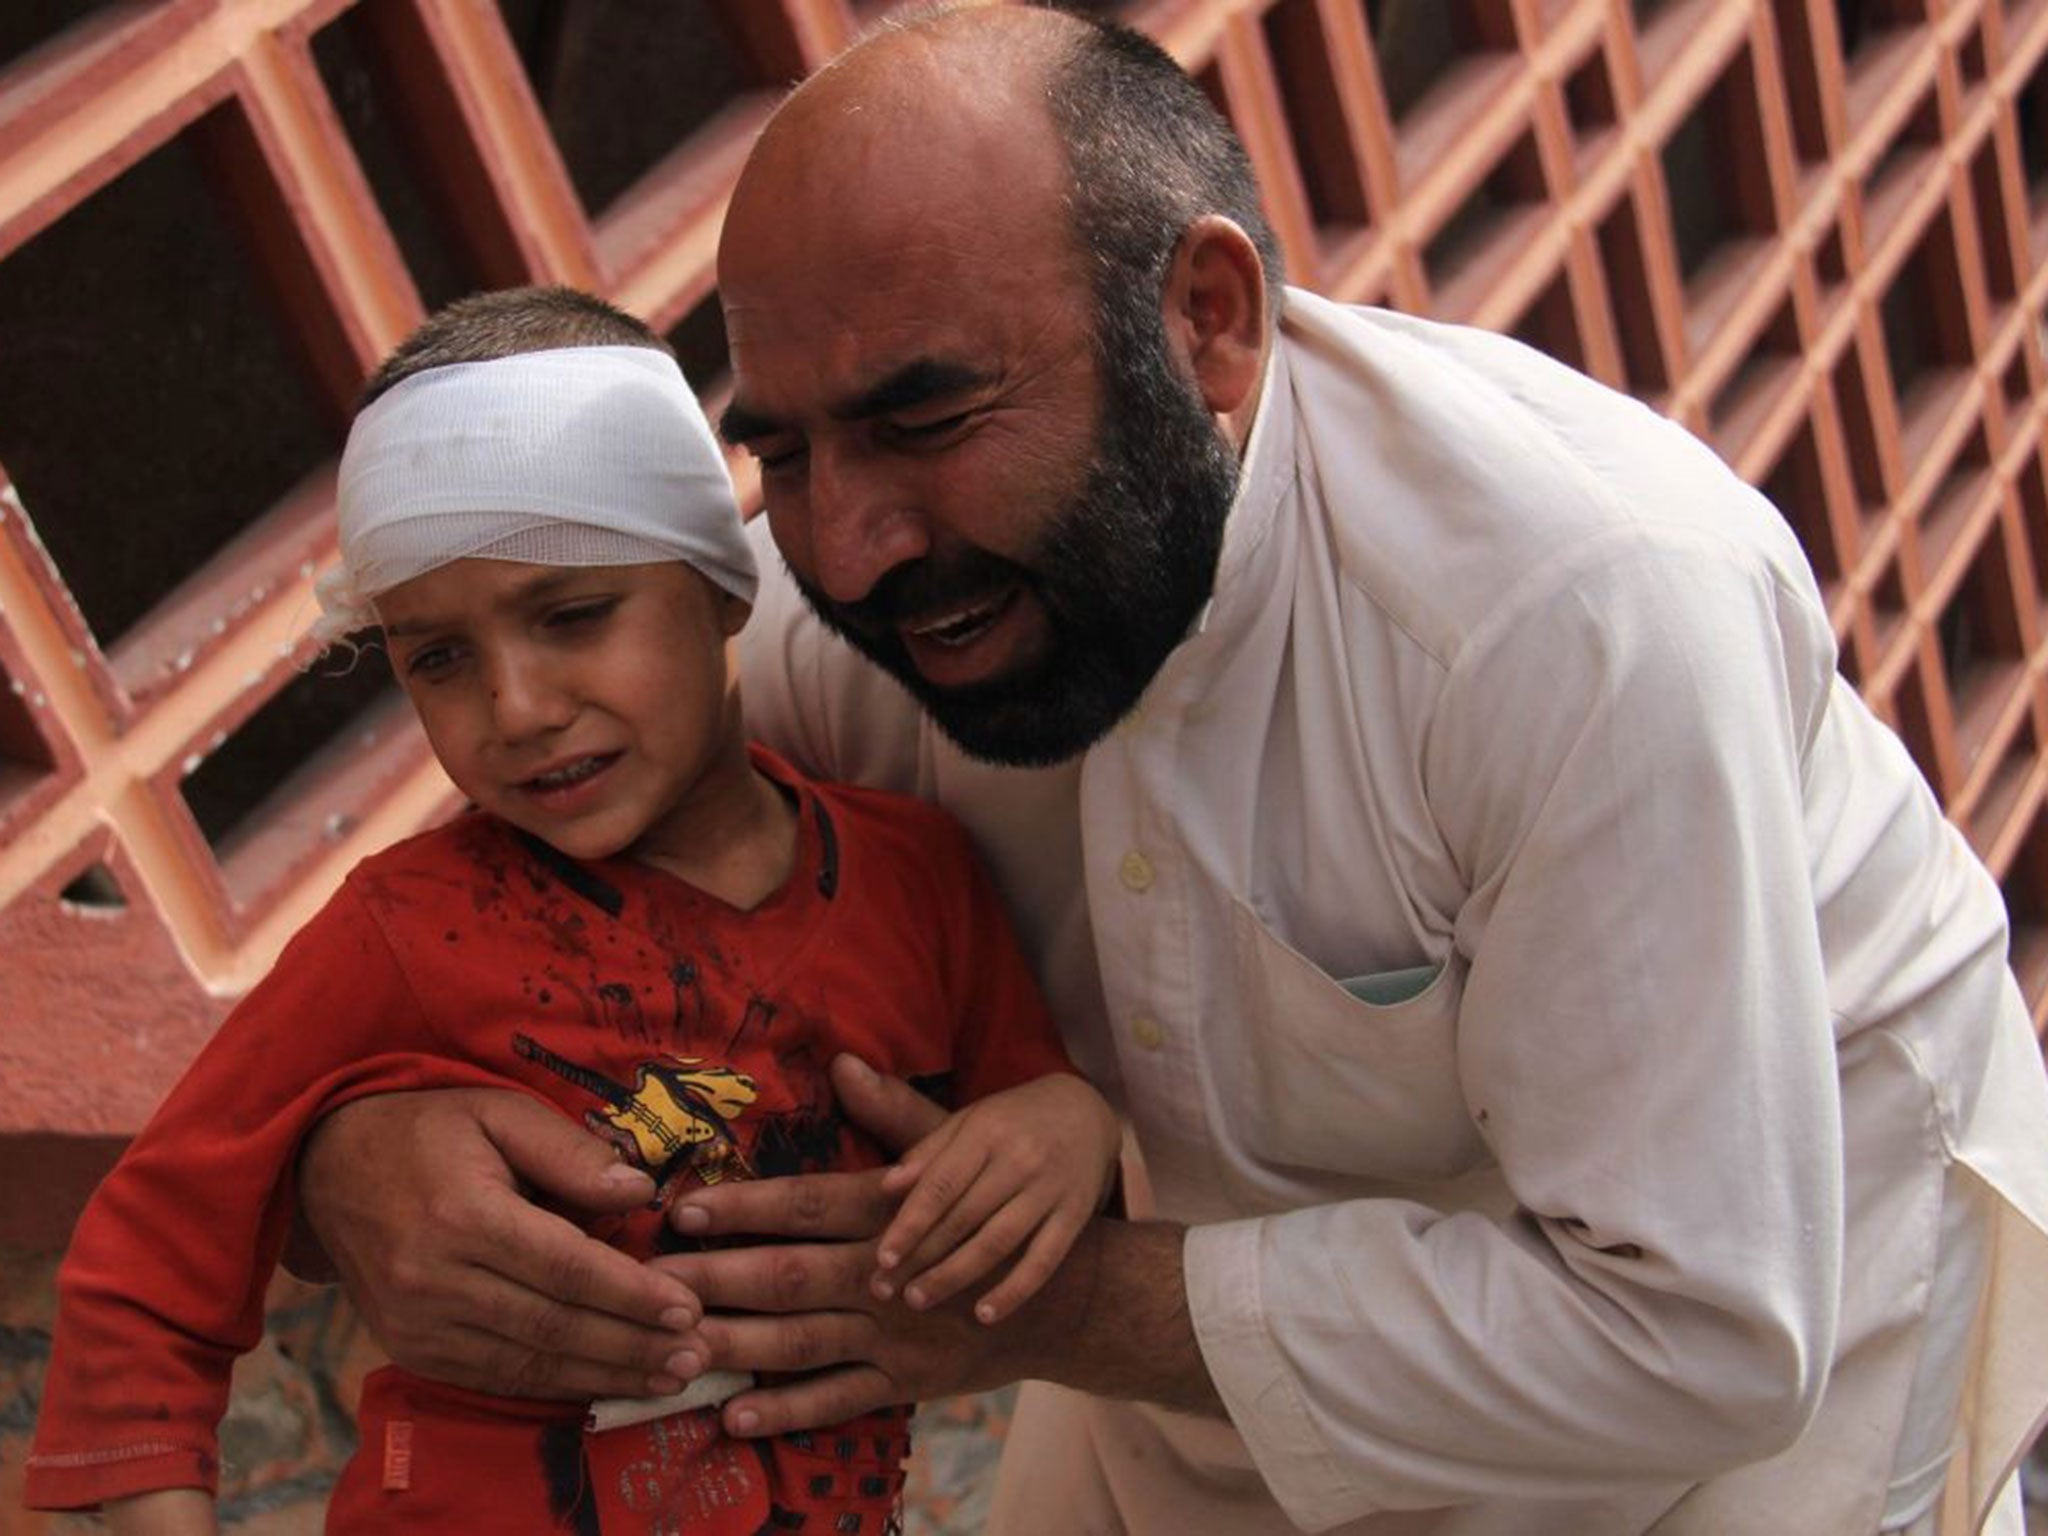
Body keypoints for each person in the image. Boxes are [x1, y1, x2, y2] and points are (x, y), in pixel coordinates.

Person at [290, 7, 2048, 1535]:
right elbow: (498, 935)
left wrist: (1032, 1314)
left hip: (1768, 1309)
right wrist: (361, 1158)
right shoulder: (852, 635)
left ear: (1204, 321)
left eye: (924, 419)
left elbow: (1699, 1332)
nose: (849, 538)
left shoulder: (1570, 616)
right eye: (786, 450)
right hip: (1201, 1334)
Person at [23, 284, 1120, 1535]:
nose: (517, 706)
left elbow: (1031, 1104)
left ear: (720, 585)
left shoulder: (918, 881)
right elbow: (150, 1264)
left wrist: (1070, 1123)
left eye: (572, 616)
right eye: (437, 657)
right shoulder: (405, 929)